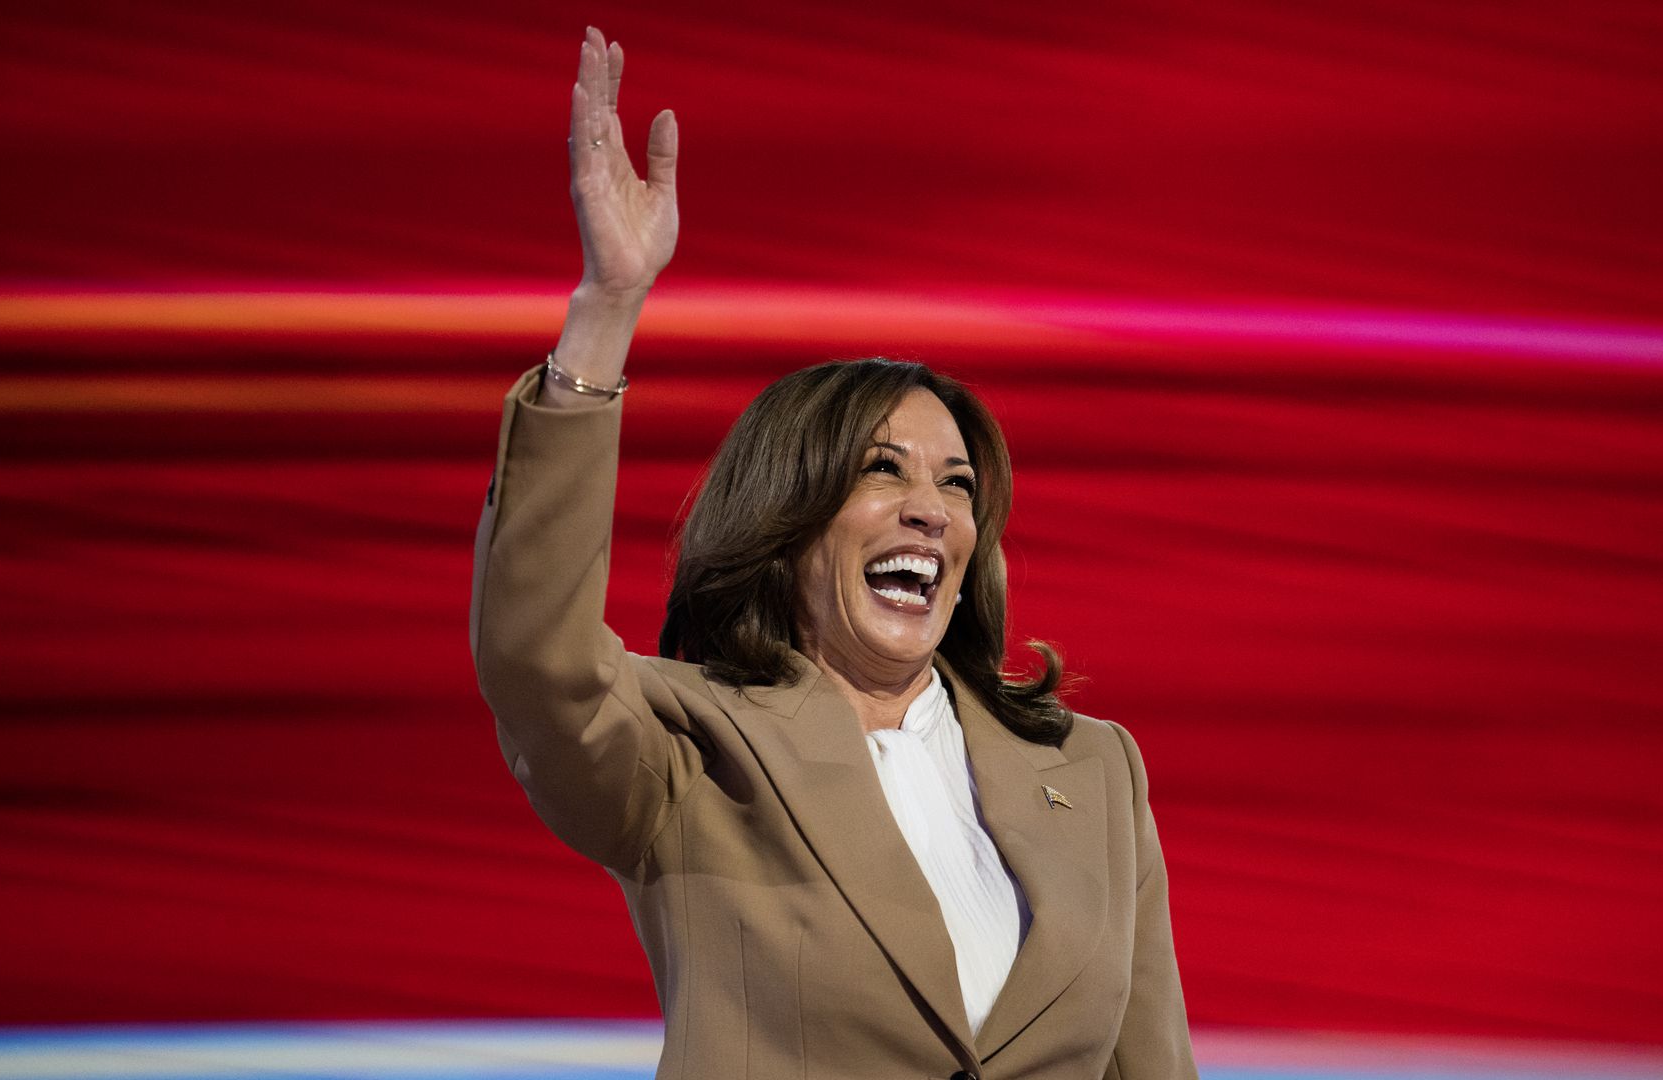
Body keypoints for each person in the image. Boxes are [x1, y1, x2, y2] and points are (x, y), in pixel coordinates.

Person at [472, 27, 1199, 1080]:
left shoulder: (1091, 771)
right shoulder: (691, 752)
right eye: (881, 473)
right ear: (786, 517)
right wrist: (605, 316)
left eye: (956, 487)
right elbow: (535, 659)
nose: (931, 514)